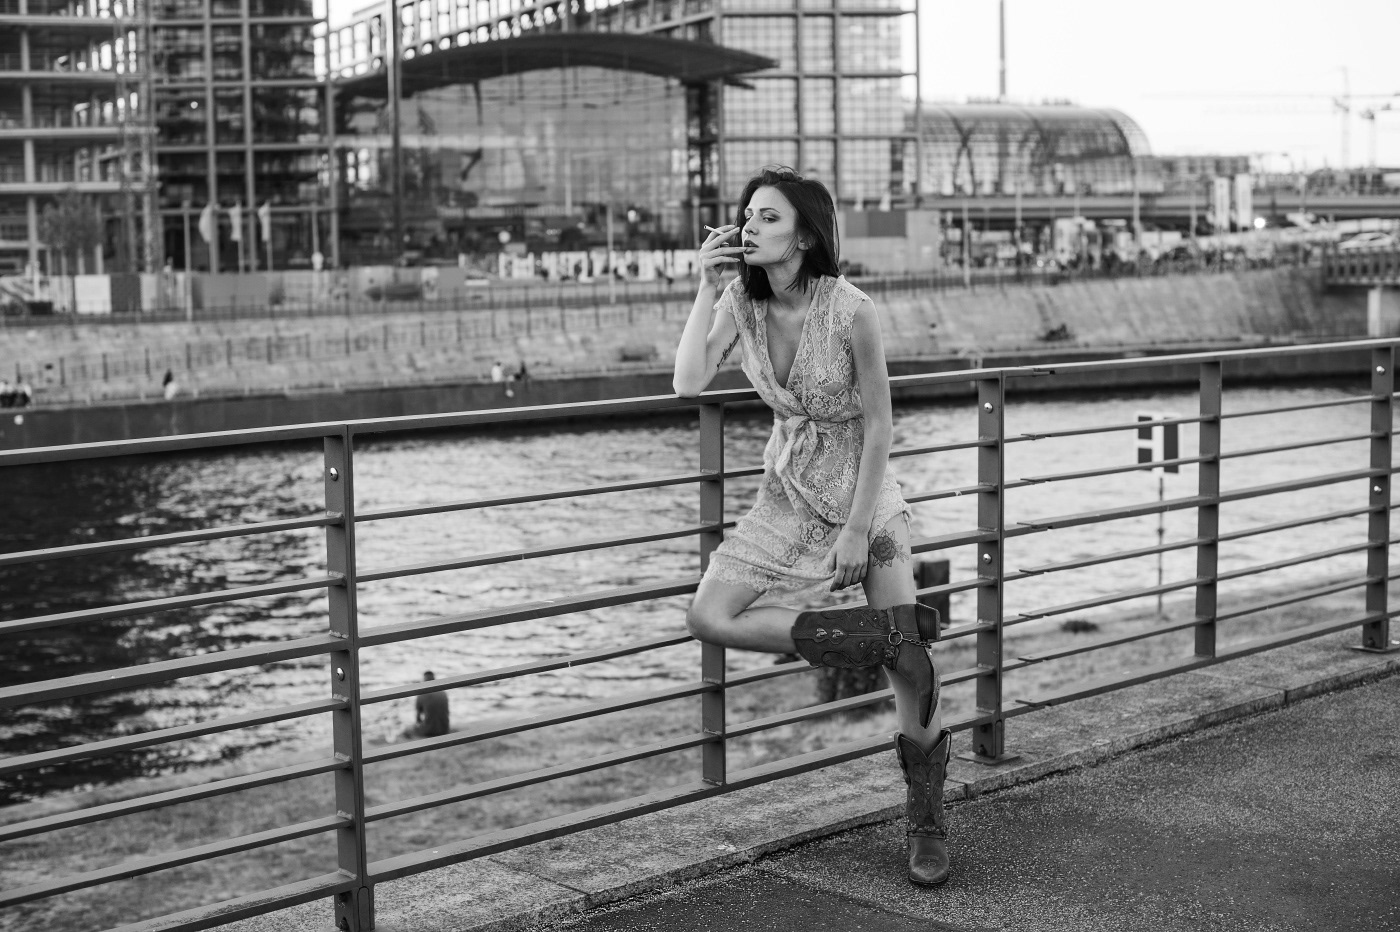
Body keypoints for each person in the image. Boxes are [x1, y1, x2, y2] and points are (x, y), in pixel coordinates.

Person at [673, 166, 949, 886]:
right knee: (709, 614)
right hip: (790, 491)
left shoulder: (851, 309)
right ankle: (872, 637)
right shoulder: (741, 300)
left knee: (911, 677)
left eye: (768, 217)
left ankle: (926, 822)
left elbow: (881, 425)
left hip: (864, 492)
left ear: (803, 234)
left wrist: (857, 529)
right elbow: (687, 381)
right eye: (747, 215)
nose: (749, 226)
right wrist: (704, 288)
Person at [414, 671, 450, 737]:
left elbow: (418, 719)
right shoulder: (443, 693)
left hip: (429, 731)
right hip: (445, 729)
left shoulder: (421, 695)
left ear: (424, 680)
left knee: (413, 729)